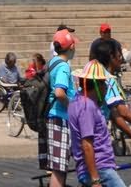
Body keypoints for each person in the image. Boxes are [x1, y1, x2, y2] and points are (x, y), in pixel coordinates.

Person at [67, 62, 126, 187]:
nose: (105, 87)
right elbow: (87, 144)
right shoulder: (87, 106)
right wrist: (95, 179)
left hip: (96, 168)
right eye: (103, 83)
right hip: (100, 168)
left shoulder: (77, 101)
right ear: (97, 85)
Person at [40, 28, 76, 187]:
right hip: (60, 118)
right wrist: (72, 107)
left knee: (58, 167)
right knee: (59, 170)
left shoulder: (52, 63)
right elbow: (60, 93)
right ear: (71, 47)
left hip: (53, 116)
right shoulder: (64, 66)